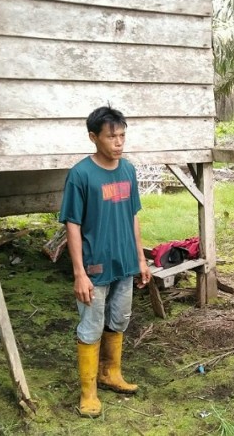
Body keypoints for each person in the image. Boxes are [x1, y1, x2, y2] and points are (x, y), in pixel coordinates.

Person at [59, 105, 151, 417]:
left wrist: (141, 258)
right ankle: (88, 392)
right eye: (112, 136)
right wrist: (79, 273)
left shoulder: (128, 170)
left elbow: (134, 216)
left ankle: (110, 373)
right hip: (94, 267)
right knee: (91, 325)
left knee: (119, 320)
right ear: (93, 137)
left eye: (123, 135)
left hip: (124, 263)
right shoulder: (81, 175)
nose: (119, 142)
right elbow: (72, 223)